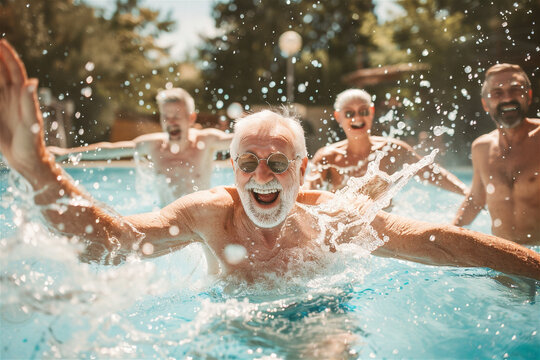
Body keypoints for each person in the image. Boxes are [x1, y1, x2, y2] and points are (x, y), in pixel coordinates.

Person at [1, 39, 540, 282]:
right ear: (231, 167)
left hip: (319, 321)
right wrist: (37, 170)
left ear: (303, 171)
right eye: (248, 163)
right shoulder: (208, 214)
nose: (261, 176)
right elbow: (111, 244)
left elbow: (440, 242)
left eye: (278, 164)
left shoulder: (331, 217)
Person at [48, 87, 233, 206]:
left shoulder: (207, 141)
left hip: (200, 217)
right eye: (165, 117)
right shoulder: (154, 145)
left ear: (191, 118)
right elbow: (109, 149)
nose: (170, 122)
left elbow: (238, 140)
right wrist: (65, 154)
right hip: (167, 220)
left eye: (176, 116)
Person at [305, 89, 468, 199]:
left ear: (372, 112)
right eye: (349, 113)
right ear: (338, 116)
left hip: (386, 226)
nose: (357, 118)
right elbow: (308, 190)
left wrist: (468, 193)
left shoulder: (393, 149)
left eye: (363, 111)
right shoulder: (328, 157)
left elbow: (431, 173)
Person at [453, 64, 540, 245]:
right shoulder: (481, 148)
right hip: (502, 258)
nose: (507, 98)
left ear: (529, 96)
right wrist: (449, 234)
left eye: (515, 89)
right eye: (497, 93)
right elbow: (476, 199)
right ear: (485, 103)